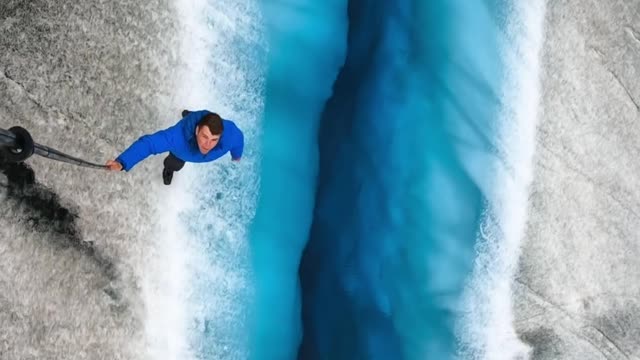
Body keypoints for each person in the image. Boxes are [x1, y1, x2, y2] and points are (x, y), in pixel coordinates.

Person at [105, 110, 244, 185]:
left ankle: (189, 115)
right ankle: (169, 169)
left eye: (214, 140)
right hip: (181, 151)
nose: (208, 144)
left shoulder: (231, 134)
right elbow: (149, 144)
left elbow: (239, 141)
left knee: (195, 116)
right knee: (174, 164)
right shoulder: (176, 137)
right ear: (196, 131)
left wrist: (236, 156)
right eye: (204, 137)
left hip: (197, 125)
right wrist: (122, 162)